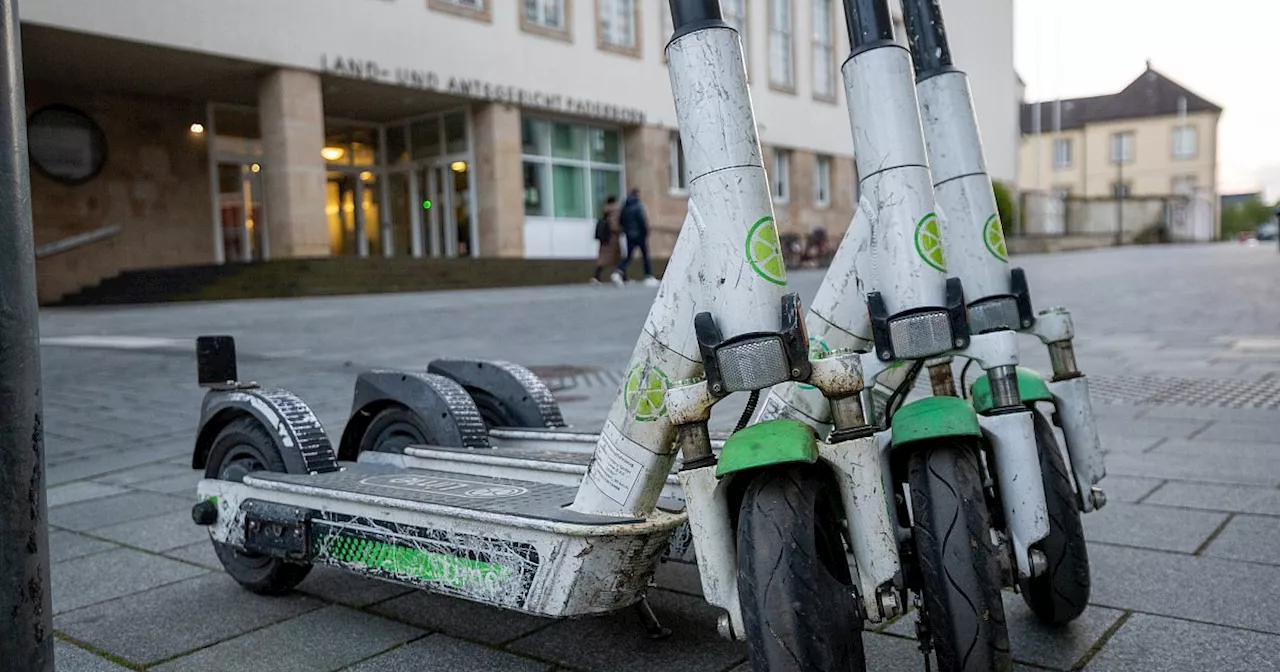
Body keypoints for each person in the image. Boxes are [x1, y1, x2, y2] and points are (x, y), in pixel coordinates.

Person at [612, 189, 659, 287]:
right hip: (640, 235)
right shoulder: (638, 206)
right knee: (645, 255)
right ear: (637, 195)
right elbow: (642, 220)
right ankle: (648, 276)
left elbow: (621, 221)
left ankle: (618, 272)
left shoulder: (625, 207)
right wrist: (646, 232)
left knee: (629, 255)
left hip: (629, 235)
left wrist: (626, 230)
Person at [591, 196, 622, 285]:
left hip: (605, 238)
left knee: (604, 257)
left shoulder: (605, 210)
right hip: (612, 238)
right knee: (615, 257)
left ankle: (597, 276)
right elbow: (614, 225)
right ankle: (619, 275)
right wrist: (620, 230)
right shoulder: (614, 211)